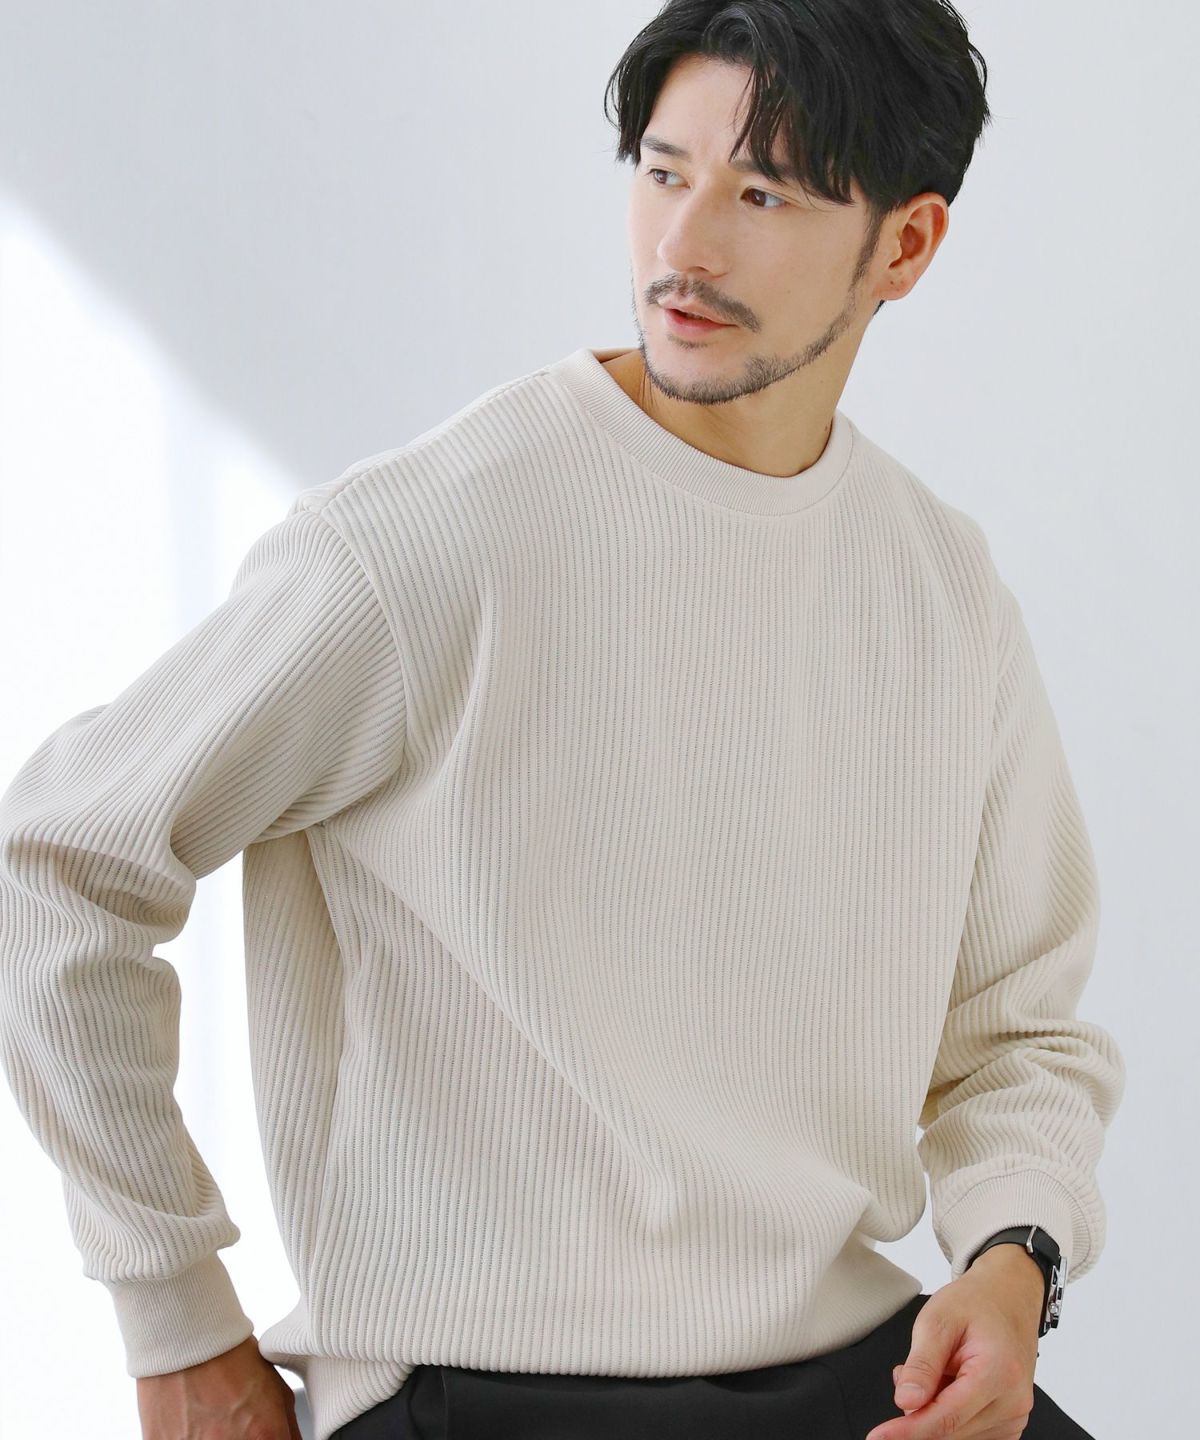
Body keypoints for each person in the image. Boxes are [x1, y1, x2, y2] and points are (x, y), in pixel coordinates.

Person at [0, 2, 1125, 1439]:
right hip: (491, 1386)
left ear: (904, 246)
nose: (685, 246)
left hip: (855, 1360)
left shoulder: (941, 590)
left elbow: (1017, 1029)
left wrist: (1014, 1258)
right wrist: (174, 1323)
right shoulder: (432, 542)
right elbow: (62, 862)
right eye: (663, 172)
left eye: (764, 194)